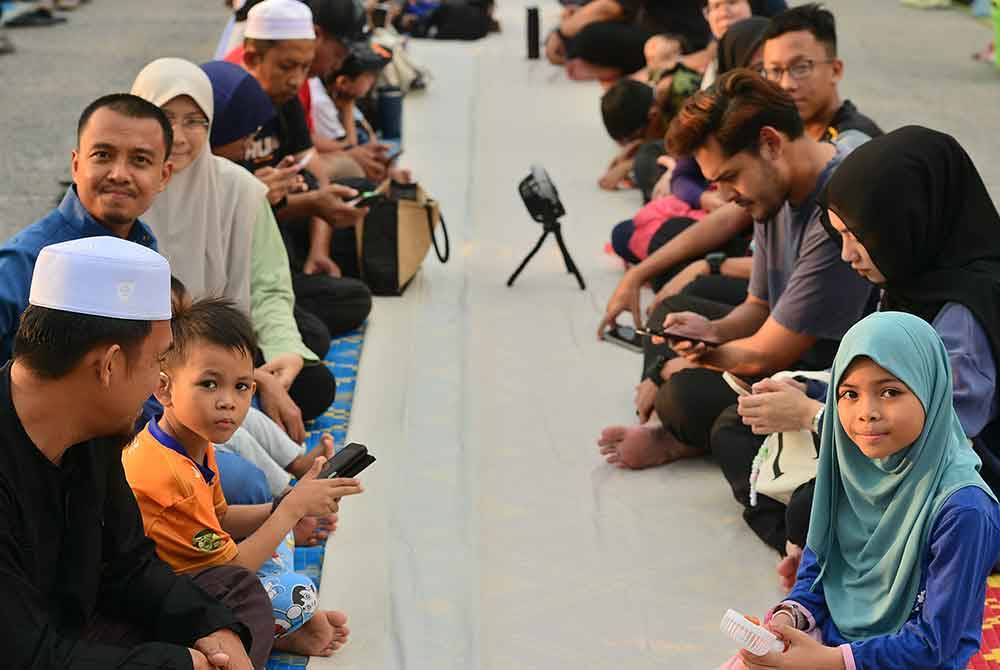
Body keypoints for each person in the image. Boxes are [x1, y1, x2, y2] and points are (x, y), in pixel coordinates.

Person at [713, 126, 1000, 586]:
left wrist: (813, 415)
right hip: (890, 445)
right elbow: (880, 378)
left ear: (909, 221)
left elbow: (939, 438)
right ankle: (825, 557)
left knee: (812, 505)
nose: (848, 254)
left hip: (965, 478)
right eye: (839, 235)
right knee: (734, 430)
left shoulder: (964, 308)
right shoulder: (911, 281)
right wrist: (810, 389)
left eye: (857, 236)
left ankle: (821, 556)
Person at [0, 237, 271, 669]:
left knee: (231, 597)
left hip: (75, 627)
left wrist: (212, 632)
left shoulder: (93, 427)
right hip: (28, 652)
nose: (157, 383)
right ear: (109, 366)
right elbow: (26, 655)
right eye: (158, 361)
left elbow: (129, 563)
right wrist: (180, 665)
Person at [597, 69, 876, 470]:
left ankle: (679, 434)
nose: (725, 196)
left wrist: (675, 367)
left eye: (729, 178)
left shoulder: (834, 209)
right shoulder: (772, 192)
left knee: (684, 396)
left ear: (769, 142)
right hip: (783, 337)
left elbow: (766, 354)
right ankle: (677, 426)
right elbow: (758, 305)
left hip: (828, 362)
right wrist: (709, 333)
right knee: (670, 315)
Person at [725, 312, 1000, 670]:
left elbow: (936, 646)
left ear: (931, 390)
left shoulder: (963, 510)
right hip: (832, 647)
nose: (866, 412)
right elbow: (818, 571)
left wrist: (831, 661)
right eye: (849, 394)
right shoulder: (849, 471)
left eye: (890, 391)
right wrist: (791, 617)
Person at [123, 298, 364, 658]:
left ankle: (277, 626)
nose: (228, 402)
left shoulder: (194, 445)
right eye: (209, 384)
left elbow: (220, 518)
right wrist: (290, 511)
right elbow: (232, 571)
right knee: (297, 593)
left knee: (279, 537)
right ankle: (275, 630)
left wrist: (285, 506)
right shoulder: (169, 474)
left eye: (242, 386)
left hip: (210, 569)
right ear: (164, 389)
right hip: (173, 598)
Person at [131, 57, 336, 436]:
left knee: (312, 382)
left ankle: (235, 391)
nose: (180, 134)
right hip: (145, 357)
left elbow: (269, 288)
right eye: (166, 117)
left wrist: (283, 351)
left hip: (225, 345)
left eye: (195, 121)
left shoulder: (240, 191)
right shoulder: (128, 192)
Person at [202, 59, 374, 341]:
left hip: (265, 258)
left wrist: (318, 245)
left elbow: (313, 176)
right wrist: (249, 198)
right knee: (316, 336)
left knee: (354, 193)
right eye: (288, 65)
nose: (296, 79)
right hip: (219, 292)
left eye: (305, 67)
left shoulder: (281, 107)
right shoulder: (176, 173)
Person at [0, 93, 173, 363]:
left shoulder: (145, 252)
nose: (119, 174)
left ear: (164, 175)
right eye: (103, 155)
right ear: (76, 164)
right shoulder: (25, 262)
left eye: (140, 160)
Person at [758, 4, 881, 146]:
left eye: (801, 67)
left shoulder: (854, 145)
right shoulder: (775, 134)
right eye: (775, 71)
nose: (786, 85)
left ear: (835, 70)